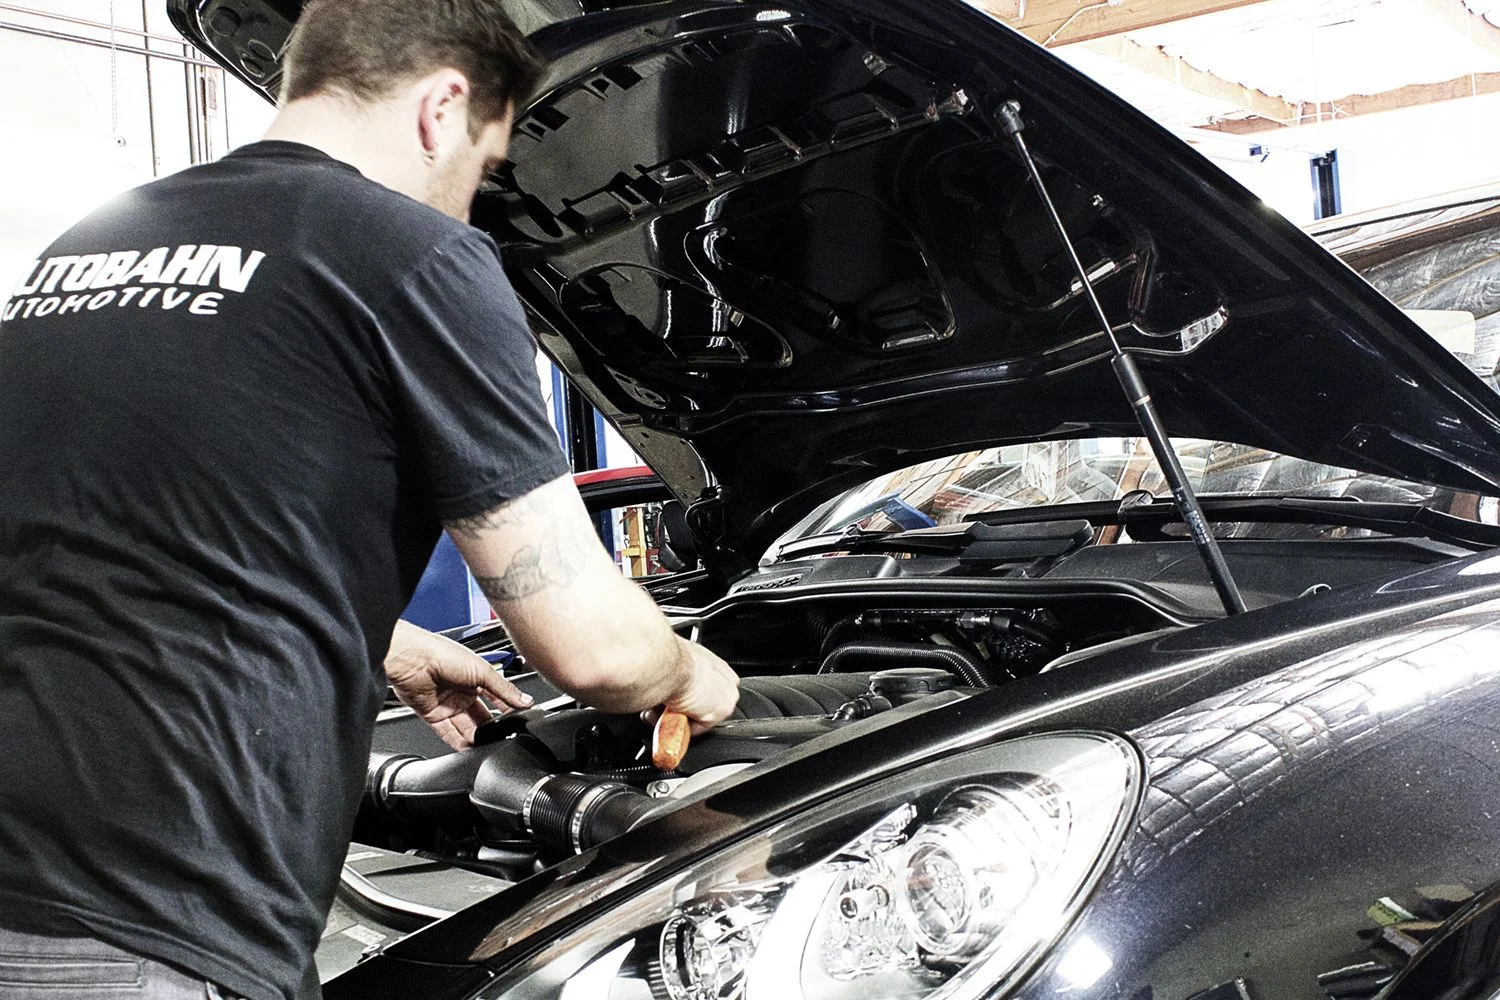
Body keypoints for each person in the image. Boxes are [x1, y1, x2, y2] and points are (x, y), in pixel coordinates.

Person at [0, 2, 739, 998]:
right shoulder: (408, 252)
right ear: (442, 107)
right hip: (147, 921)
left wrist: (375, 639)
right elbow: (595, 652)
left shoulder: (87, 249)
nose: (473, 207)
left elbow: (95, 528)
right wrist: (699, 676)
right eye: (482, 170)